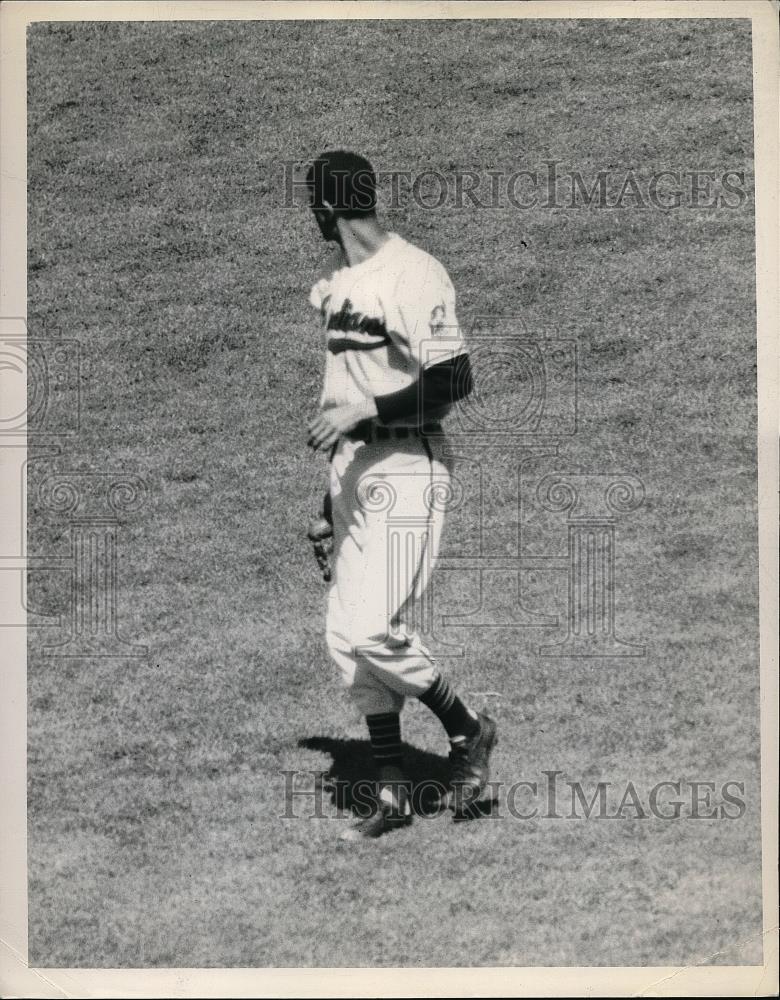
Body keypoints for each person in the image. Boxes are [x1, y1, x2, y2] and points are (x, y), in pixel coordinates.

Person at [304, 150, 497, 840]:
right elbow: (342, 401)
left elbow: (453, 383)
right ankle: (391, 790)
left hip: (407, 470)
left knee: (371, 628)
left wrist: (362, 416)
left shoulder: (415, 273)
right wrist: (330, 509)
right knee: (344, 639)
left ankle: (467, 728)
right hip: (355, 476)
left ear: (323, 210)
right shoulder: (342, 283)